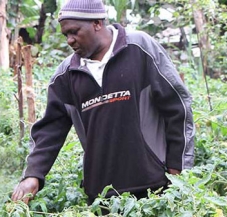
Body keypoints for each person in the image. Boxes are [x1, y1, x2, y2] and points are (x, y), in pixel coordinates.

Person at [11, 0, 195, 208]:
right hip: (102, 197)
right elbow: (50, 130)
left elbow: (177, 107)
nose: (69, 41)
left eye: (74, 31)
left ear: (97, 23)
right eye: (66, 35)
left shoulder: (139, 49)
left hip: (156, 187)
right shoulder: (66, 75)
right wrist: (33, 175)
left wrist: (177, 168)